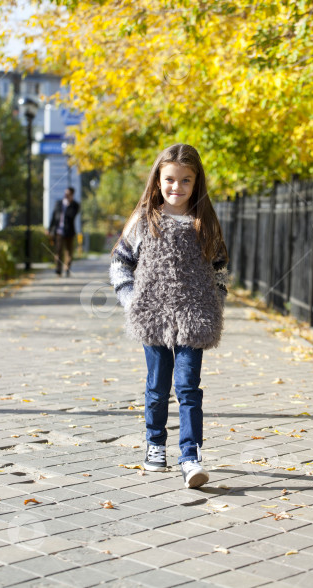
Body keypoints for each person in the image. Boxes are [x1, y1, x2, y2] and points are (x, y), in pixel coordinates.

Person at [109, 143, 229, 488]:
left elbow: (220, 268)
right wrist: (132, 301)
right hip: (153, 315)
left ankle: (190, 456)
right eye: (170, 180)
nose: (177, 187)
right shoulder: (145, 220)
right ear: (158, 181)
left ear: (197, 182)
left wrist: (215, 304)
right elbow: (120, 263)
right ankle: (155, 443)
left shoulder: (204, 223)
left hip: (195, 316)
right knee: (158, 387)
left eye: (185, 181)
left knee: (188, 387)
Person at [49, 187, 80, 277]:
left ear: (72, 195)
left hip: (69, 232)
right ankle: (58, 269)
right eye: (65, 194)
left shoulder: (75, 205)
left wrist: (68, 204)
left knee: (69, 252)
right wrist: (50, 229)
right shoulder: (58, 204)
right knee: (58, 251)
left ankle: (67, 268)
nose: (66, 196)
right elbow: (54, 217)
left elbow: (71, 216)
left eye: (68, 194)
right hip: (59, 231)